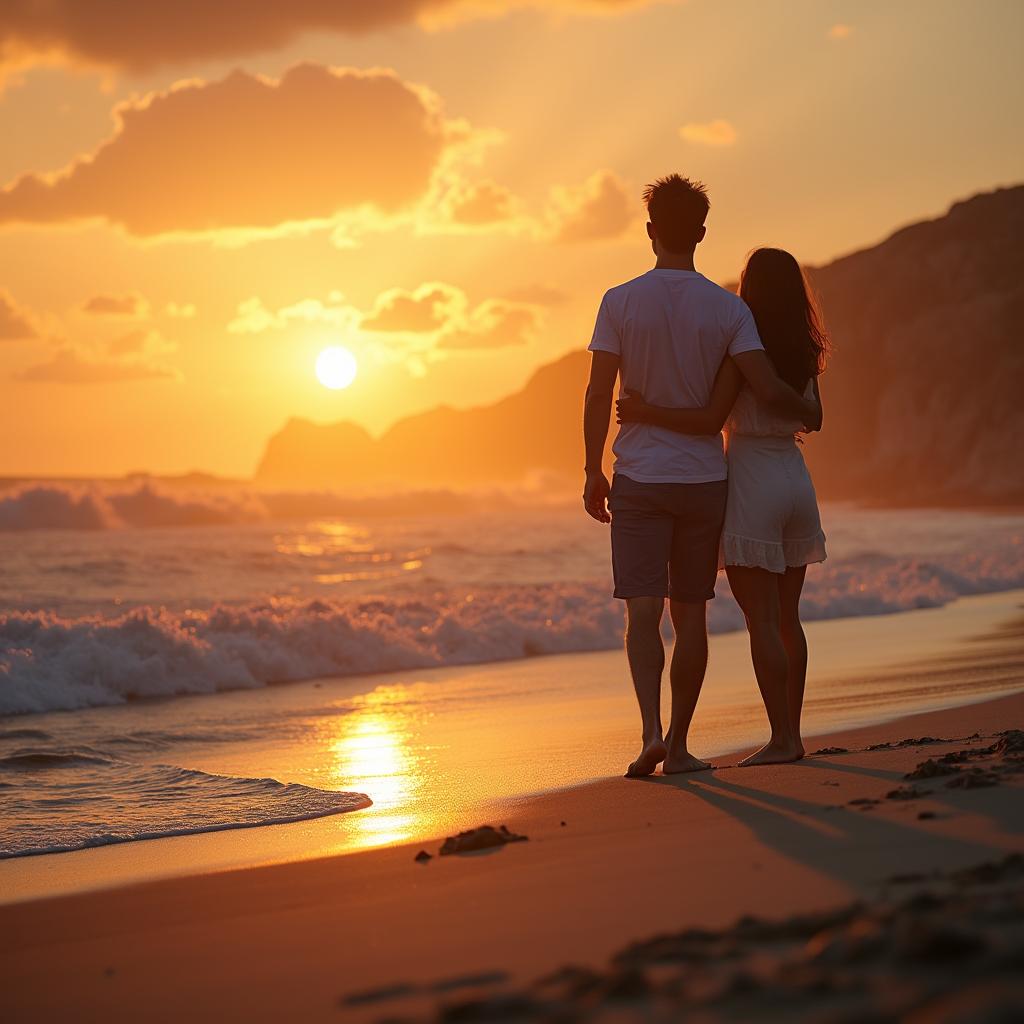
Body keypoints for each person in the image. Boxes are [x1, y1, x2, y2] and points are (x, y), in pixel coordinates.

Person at [583, 175, 820, 777]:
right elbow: (775, 398)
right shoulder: (731, 311)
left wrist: (592, 466)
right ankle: (691, 744)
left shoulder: (618, 300)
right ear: (703, 233)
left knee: (643, 613)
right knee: (697, 616)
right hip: (718, 480)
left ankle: (651, 735)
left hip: (644, 474)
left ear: (650, 231)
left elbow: (598, 391)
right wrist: (808, 408)